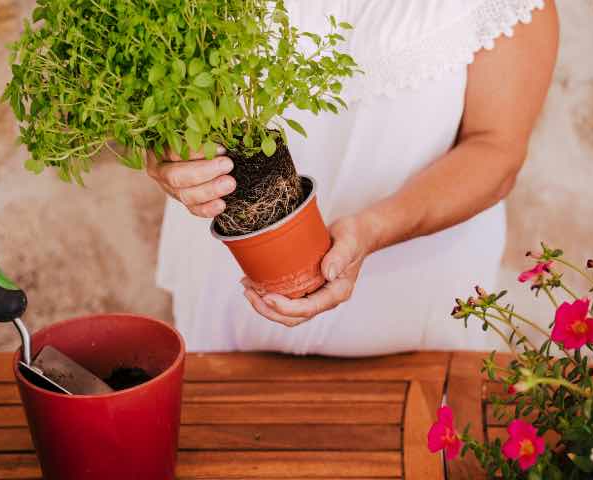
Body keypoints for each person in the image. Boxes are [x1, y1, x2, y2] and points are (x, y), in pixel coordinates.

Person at [148, 0, 559, 356]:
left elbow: (495, 148)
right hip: (223, 320)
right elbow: (162, 99)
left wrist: (373, 230)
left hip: (415, 335)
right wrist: (166, 156)